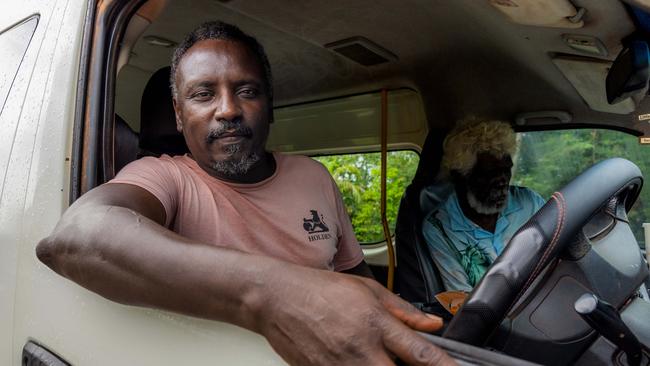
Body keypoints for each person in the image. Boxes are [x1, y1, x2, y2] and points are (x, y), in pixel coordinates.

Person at [36, 21, 455, 366]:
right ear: (180, 117)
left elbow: (353, 276)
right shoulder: (165, 178)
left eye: (247, 91)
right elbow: (77, 237)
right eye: (203, 94)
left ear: (269, 105)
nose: (228, 110)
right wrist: (268, 295)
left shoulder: (314, 176)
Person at [422, 119, 545, 293]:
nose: (503, 180)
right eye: (491, 173)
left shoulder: (529, 202)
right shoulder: (439, 228)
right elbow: (462, 297)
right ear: (460, 176)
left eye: (506, 170)